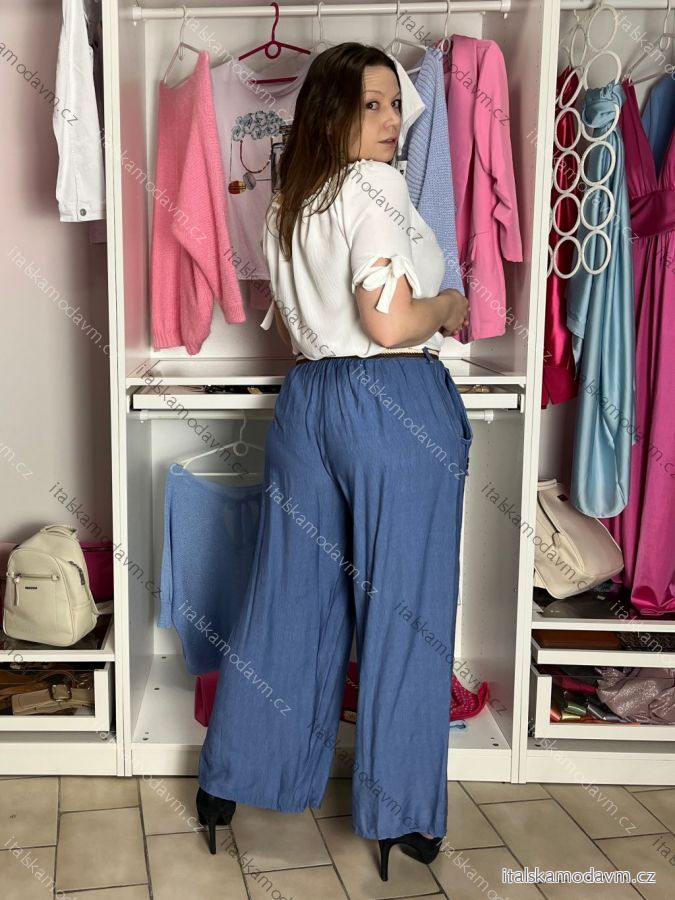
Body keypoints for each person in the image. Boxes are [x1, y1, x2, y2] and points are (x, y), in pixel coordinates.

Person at [196, 42, 473, 882]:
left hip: (308, 400)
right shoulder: (374, 187)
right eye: (371, 105)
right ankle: (399, 817)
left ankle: (232, 784)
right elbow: (387, 323)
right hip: (391, 400)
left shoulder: (289, 200)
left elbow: (296, 323)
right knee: (404, 609)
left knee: (289, 598)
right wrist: (448, 305)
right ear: (331, 114)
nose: (391, 122)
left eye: (394, 104)